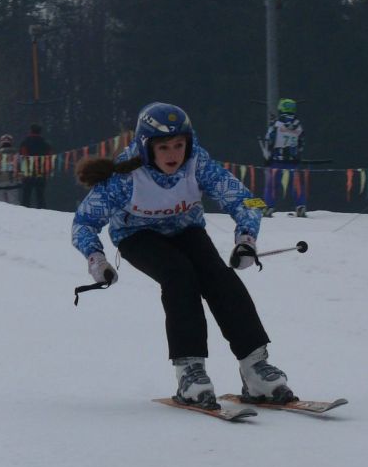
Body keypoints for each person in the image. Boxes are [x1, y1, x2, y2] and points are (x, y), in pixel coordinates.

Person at [72, 102, 295, 408]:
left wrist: (246, 240)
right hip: (138, 237)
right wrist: (96, 260)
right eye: (164, 148)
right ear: (146, 147)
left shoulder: (197, 162)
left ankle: (255, 366)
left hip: (187, 230)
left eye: (179, 145)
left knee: (220, 277)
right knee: (179, 276)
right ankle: (190, 370)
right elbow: (83, 222)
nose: (173, 155)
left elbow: (247, 200)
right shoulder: (125, 178)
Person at [263, 98, 307, 217]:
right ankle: (300, 206)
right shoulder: (298, 125)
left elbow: (269, 140)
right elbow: (301, 143)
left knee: (272, 185)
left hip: (276, 161)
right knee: (297, 184)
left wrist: (268, 155)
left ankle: (268, 206)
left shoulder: (276, 124)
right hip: (293, 161)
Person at [20, 123, 52, 209]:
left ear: (30, 131)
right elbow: (49, 158)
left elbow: (23, 157)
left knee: (26, 195)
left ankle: (23, 213)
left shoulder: (25, 142)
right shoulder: (46, 143)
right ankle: (43, 212)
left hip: (28, 172)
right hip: (41, 172)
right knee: (40, 196)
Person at [0, 134, 22, 205]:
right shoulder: (16, 154)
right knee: (14, 204)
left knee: (1, 205)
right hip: (12, 182)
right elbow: (20, 168)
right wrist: (20, 180)